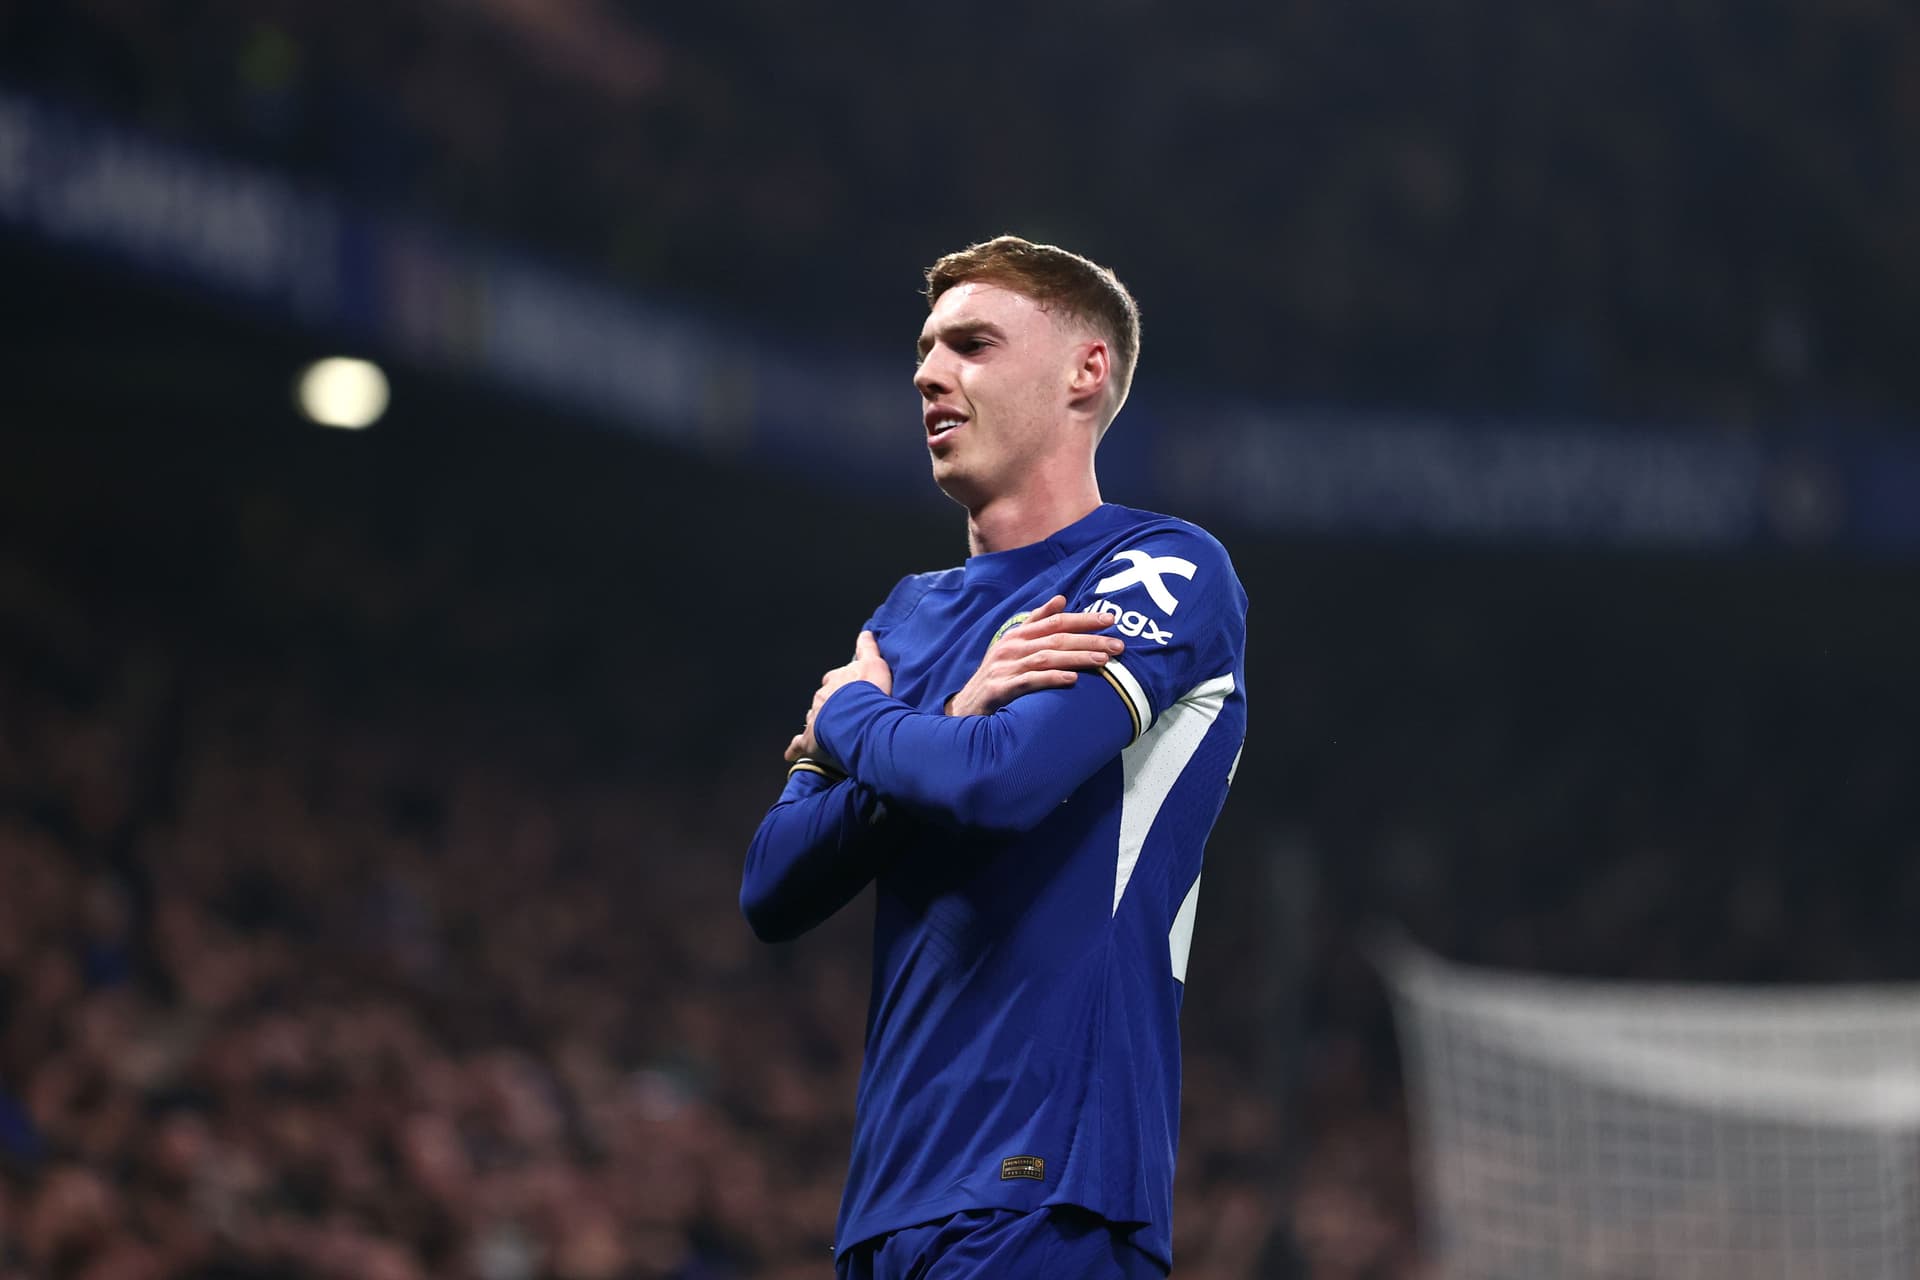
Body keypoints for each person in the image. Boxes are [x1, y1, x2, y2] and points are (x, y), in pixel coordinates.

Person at [741, 236, 1248, 1278]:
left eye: (972, 344)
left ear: (1085, 372)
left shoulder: (1158, 564)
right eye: (925, 349)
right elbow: (773, 882)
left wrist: (858, 723)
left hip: (1052, 1185)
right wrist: (946, 722)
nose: (929, 373)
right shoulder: (908, 615)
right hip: (884, 1204)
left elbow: (1002, 780)